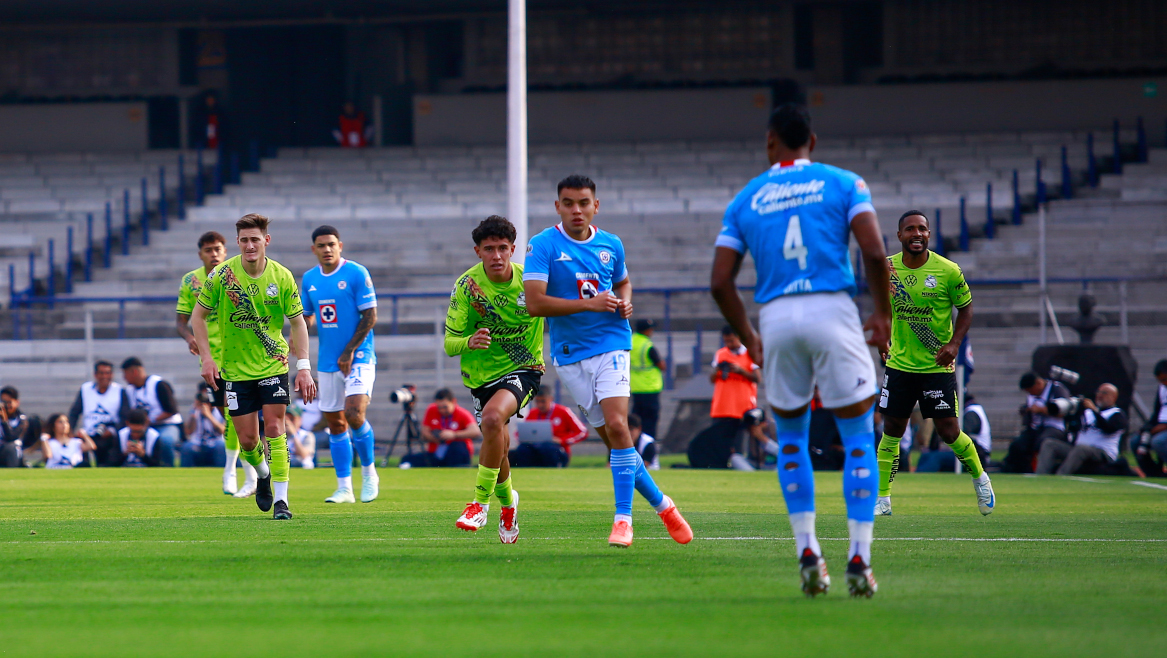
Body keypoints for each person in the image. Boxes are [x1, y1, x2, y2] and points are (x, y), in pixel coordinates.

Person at [710, 102, 890, 597]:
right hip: (832, 309)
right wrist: (882, 314)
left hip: (777, 316)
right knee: (857, 434)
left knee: (790, 437)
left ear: (770, 141)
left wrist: (749, 336)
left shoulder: (746, 198)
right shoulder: (844, 183)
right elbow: (875, 251)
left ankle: (807, 550)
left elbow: (720, 281)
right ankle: (859, 557)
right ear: (813, 141)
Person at [524, 174, 692, 548]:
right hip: (569, 356)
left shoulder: (611, 244)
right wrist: (590, 302)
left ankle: (623, 520)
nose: (577, 210)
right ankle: (664, 505)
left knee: (619, 425)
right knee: (616, 444)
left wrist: (625, 300)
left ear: (595, 206)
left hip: (612, 343)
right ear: (558, 207)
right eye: (568, 203)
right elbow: (535, 304)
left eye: (584, 203)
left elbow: (623, 283)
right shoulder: (543, 246)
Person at [191, 213, 317, 520]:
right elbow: (197, 316)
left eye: (255, 240)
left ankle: (283, 502)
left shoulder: (282, 276)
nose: (250, 245)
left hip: (273, 366)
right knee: (248, 440)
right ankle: (262, 475)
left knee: (275, 428)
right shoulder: (221, 276)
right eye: (244, 240)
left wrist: (303, 367)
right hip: (234, 371)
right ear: (238, 242)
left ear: (266, 241)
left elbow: (298, 322)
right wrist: (207, 358)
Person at [874, 210, 993, 517]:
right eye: (910, 229)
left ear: (929, 235)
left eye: (923, 229)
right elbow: (882, 309)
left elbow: (966, 310)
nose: (917, 233)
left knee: (949, 431)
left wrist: (954, 344)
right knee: (892, 430)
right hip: (900, 364)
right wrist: (882, 339)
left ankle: (980, 478)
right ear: (899, 235)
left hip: (936, 366)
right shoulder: (887, 269)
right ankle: (882, 498)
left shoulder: (948, 270)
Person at [446, 216, 543, 543]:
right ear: (478, 251)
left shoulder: (530, 282)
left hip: (525, 368)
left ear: (513, 249)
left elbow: (558, 305)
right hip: (481, 376)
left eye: (503, 248)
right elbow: (449, 343)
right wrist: (469, 341)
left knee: (491, 418)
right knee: (496, 439)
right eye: (490, 249)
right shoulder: (466, 287)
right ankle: (508, 504)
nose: (497, 255)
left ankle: (478, 504)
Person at [301, 225, 380, 504]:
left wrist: (349, 351)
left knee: (354, 413)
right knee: (335, 423)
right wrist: (295, 331)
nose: (327, 249)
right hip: (327, 360)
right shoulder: (310, 279)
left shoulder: (356, 273)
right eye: (321, 245)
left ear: (340, 246)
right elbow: (308, 318)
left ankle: (370, 475)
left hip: (358, 355)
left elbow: (370, 316)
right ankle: (344, 488)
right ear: (314, 249)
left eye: (331, 244)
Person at [176, 230, 257, 496]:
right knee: (230, 415)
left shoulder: (236, 275)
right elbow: (181, 319)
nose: (214, 254)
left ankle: (239, 472)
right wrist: (189, 337)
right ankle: (237, 470)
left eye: (218, 249)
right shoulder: (191, 281)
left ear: (225, 251)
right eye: (208, 250)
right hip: (212, 360)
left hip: (240, 356)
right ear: (200, 254)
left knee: (240, 415)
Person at [691, 325, 762, 470]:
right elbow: (712, 379)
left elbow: (757, 378)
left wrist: (741, 371)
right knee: (719, 441)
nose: (729, 345)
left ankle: (742, 466)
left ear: (738, 338)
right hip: (722, 406)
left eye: (731, 341)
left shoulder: (750, 353)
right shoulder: (721, 354)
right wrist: (718, 370)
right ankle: (721, 465)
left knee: (738, 442)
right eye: (726, 341)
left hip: (742, 406)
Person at [1036, 384, 1127, 474]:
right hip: (1079, 450)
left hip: (1103, 452)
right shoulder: (1087, 412)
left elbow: (1108, 429)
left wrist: (1094, 410)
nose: (1099, 395)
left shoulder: (1117, 414)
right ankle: (1041, 476)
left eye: (1104, 393)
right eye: (1098, 392)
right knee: (1049, 444)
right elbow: (1074, 427)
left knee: (1081, 449)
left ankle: (1061, 476)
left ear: (1113, 397)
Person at [1002, 372, 1071, 473]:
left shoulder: (1057, 390)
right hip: (1035, 428)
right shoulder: (1032, 396)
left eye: (1031, 390)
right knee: (1017, 444)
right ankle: (1016, 469)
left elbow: (1065, 411)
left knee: (1042, 442)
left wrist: (1042, 410)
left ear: (1038, 383)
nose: (1030, 394)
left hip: (1054, 427)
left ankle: (1040, 469)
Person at [68, 360, 131, 467]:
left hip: (110, 437)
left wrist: (113, 431)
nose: (104, 376)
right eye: (101, 373)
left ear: (112, 375)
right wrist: (70, 431)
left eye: (108, 373)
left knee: (108, 465)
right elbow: (75, 412)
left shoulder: (120, 391)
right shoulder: (86, 389)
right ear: (95, 375)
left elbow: (125, 416)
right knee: (84, 465)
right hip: (88, 435)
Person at [121, 357, 180, 468]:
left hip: (166, 424)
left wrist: (151, 420)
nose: (124, 378)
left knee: (165, 440)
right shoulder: (129, 390)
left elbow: (172, 410)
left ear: (133, 372)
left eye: (125, 374)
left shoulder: (158, 384)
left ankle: (169, 469)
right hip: (143, 427)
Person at [512, 386, 589, 467]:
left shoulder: (563, 411)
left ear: (550, 399)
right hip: (536, 449)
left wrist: (561, 440)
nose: (540, 405)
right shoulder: (533, 413)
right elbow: (518, 434)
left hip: (556, 450)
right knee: (523, 449)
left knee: (547, 448)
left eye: (543, 401)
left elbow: (583, 432)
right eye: (537, 401)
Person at [403, 389, 481, 468]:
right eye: (439, 407)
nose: (442, 410)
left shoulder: (462, 413)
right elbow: (424, 432)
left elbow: (475, 431)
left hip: (456, 453)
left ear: (453, 402)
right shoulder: (432, 410)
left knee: (457, 446)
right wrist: (435, 437)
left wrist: (454, 435)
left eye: (445, 407)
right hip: (436, 452)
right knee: (408, 459)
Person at [630, 319, 665, 438]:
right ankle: (649, 448)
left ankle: (635, 444)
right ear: (646, 330)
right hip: (650, 388)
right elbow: (661, 365)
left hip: (635, 388)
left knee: (636, 421)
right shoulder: (647, 345)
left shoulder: (630, 341)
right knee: (650, 422)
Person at [181, 383, 227, 468]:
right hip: (198, 442)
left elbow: (223, 431)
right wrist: (193, 415)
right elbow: (188, 432)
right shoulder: (195, 409)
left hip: (216, 441)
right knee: (186, 447)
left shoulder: (220, 409)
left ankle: (222, 472)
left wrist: (209, 415)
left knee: (221, 446)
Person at [1135, 359, 1167, 477]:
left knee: (1158, 441)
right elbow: (1157, 412)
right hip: (1161, 425)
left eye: (1164, 379)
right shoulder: (1162, 389)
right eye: (1160, 381)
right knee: (1136, 441)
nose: (1163, 383)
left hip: (1164, 427)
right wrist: (1146, 428)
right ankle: (1154, 473)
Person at [0, 386, 38, 467]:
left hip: (11, 452)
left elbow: (10, 437)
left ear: (17, 402)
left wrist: (4, 421)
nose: (6, 405)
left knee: (11, 447)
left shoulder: (21, 420)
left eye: (9, 402)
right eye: (3, 402)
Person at [963, 393, 992, 467]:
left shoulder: (971, 412)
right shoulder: (976, 409)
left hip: (978, 453)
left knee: (936, 457)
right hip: (978, 451)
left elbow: (964, 432)